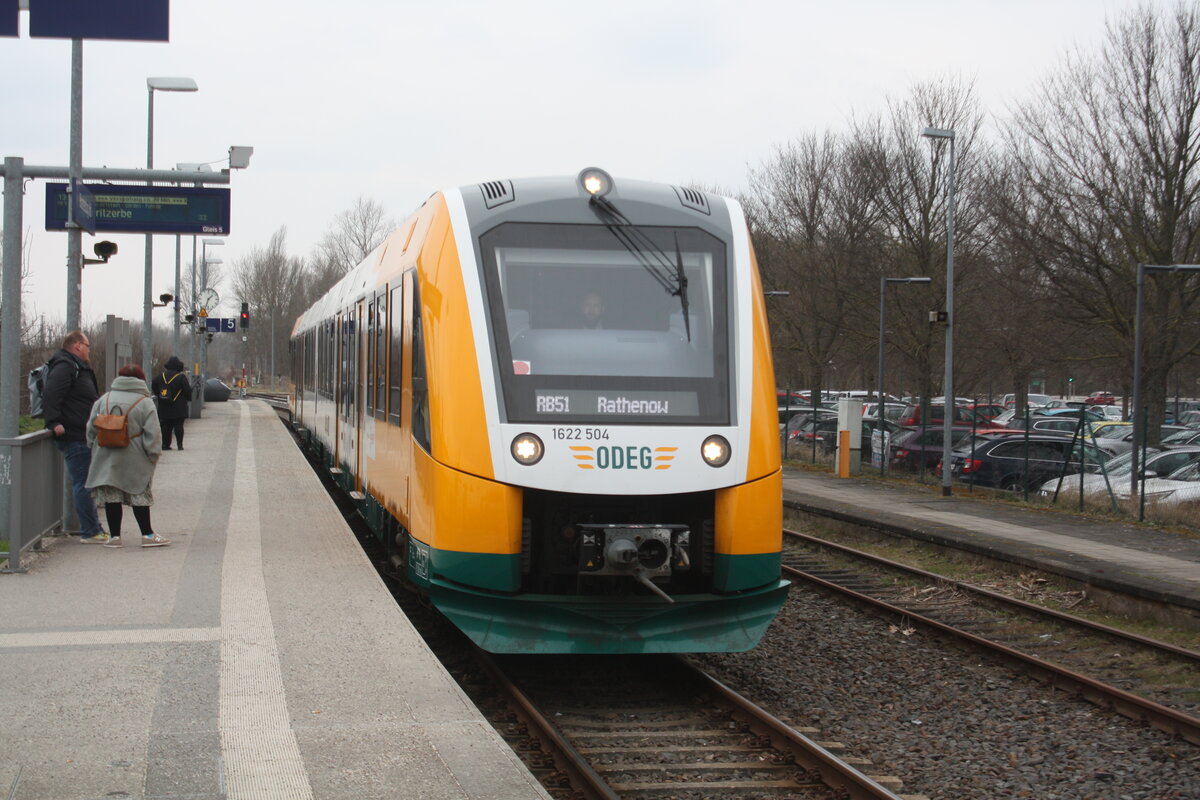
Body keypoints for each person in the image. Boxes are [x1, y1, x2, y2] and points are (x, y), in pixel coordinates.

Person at [85, 364, 170, 548]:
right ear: (140, 379)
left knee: (112, 496)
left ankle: (115, 537)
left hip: (106, 456)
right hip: (135, 456)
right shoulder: (145, 402)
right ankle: (147, 534)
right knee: (139, 494)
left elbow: (91, 429)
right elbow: (153, 434)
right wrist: (153, 455)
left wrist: (93, 447)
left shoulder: (104, 399)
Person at [41, 330, 108, 543]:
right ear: (77, 345)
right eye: (87, 345)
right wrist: (54, 422)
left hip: (81, 433)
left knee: (86, 482)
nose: (89, 349)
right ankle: (90, 531)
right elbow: (51, 394)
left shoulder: (75, 367)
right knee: (84, 483)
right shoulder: (65, 366)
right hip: (74, 435)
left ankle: (93, 527)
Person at [151, 355, 193, 450]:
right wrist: (188, 398)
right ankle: (179, 445)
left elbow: (153, 385)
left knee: (166, 426)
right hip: (179, 406)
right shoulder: (181, 377)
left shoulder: (160, 377)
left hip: (164, 405)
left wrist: (159, 395)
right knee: (179, 425)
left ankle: (165, 445)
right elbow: (187, 391)